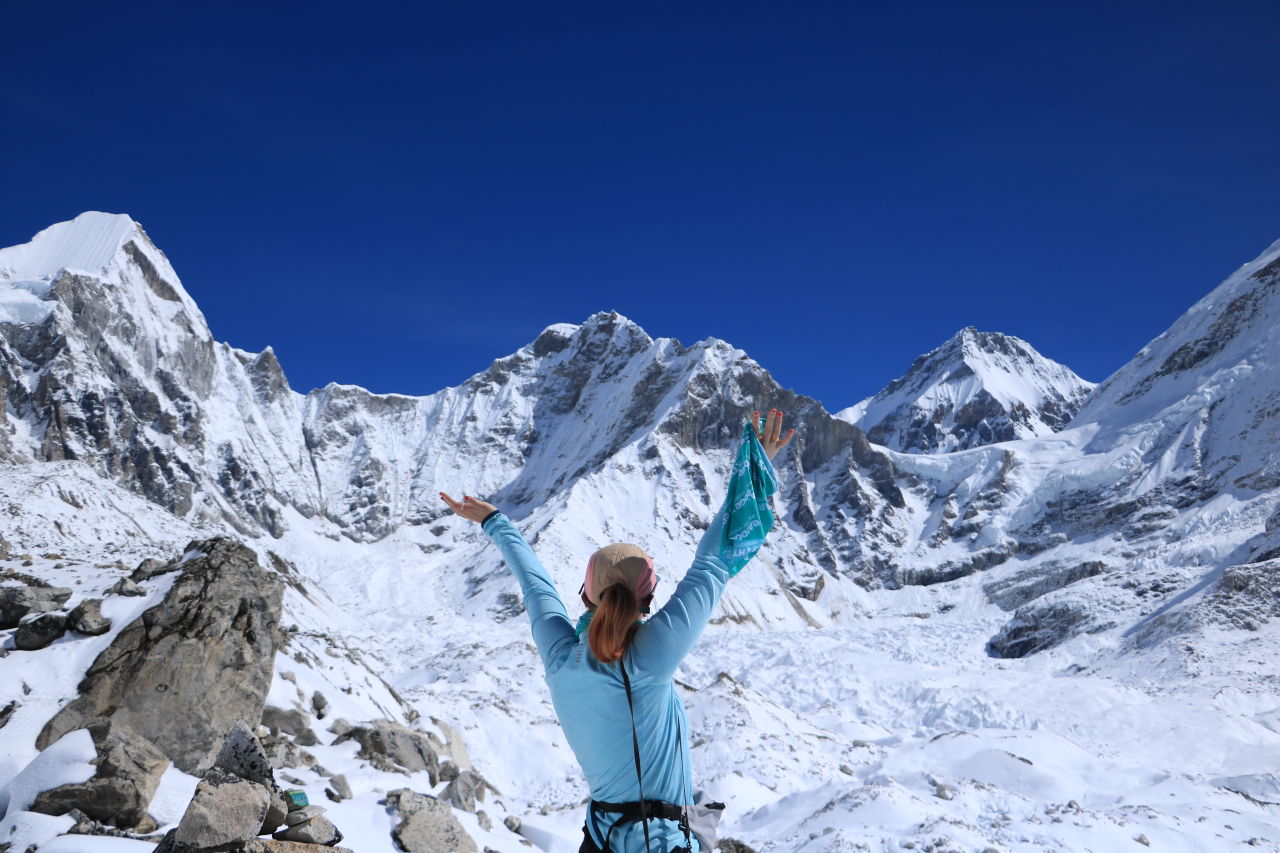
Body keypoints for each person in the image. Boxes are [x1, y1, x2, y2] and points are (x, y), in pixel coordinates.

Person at [440, 409, 795, 853]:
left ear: (586, 595)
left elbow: (534, 583)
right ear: (647, 600)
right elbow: (714, 561)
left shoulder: (560, 653)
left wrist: (494, 521)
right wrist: (756, 466)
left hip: (601, 838)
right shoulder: (653, 655)